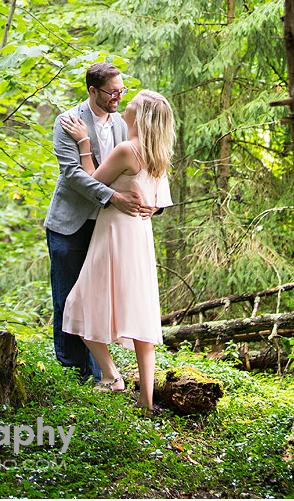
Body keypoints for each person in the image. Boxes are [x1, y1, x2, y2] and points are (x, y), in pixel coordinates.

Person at [59, 90, 174, 413]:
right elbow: (158, 201)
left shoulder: (127, 150)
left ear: (140, 115)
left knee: (78, 303)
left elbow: (94, 181)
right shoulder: (158, 154)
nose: (126, 104)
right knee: (140, 310)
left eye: (132, 103)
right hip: (139, 235)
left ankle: (111, 376)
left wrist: (84, 144)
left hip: (114, 232)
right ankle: (146, 399)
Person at [44, 62, 155, 381]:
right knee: (68, 297)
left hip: (109, 228)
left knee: (98, 298)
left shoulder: (123, 124)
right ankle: (73, 372)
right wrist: (112, 197)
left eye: (122, 91)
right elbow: (73, 174)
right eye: (112, 92)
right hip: (70, 224)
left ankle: (101, 374)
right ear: (93, 91)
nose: (118, 97)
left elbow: (140, 164)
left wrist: (152, 205)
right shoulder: (68, 121)